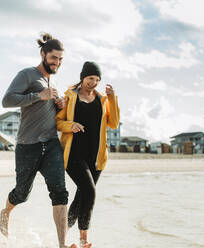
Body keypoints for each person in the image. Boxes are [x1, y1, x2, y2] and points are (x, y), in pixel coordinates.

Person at [0, 32, 82, 248]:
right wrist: (39, 96)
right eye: (54, 58)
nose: (58, 63)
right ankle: (6, 211)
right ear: (43, 54)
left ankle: (62, 245)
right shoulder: (27, 74)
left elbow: (47, 109)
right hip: (28, 145)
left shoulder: (52, 80)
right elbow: (7, 100)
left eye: (61, 59)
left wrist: (57, 105)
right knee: (21, 194)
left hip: (51, 143)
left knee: (60, 191)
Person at [56, 61, 120, 247]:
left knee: (81, 196)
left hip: (96, 158)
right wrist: (71, 125)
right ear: (83, 77)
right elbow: (57, 122)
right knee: (90, 192)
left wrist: (112, 97)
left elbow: (114, 123)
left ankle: (64, 237)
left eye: (97, 79)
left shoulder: (102, 100)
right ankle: (84, 239)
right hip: (73, 155)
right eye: (91, 78)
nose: (94, 82)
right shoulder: (70, 97)